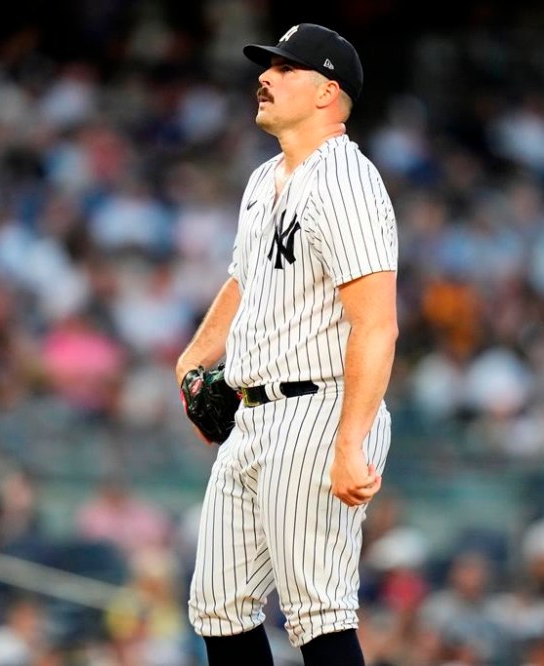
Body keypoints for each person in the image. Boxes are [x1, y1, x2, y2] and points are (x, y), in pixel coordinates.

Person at [175, 23, 399, 666]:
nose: (265, 76)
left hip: (319, 409)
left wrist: (351, 442)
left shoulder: (347, 182)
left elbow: (377, 322)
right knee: (217, 607)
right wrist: (196, 357)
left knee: (317, 612)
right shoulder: (265, 178)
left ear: (329, 91)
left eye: (286, 68)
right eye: (266, 64)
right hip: (253, 414)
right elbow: (243, 279)